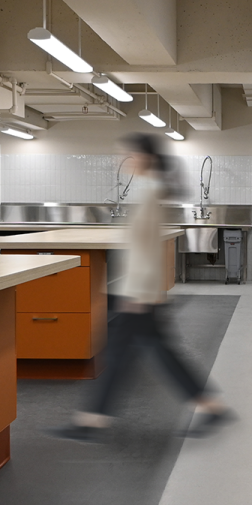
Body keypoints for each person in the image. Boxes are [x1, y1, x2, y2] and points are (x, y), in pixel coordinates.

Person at [59, 132, 231, 442]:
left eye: (128, 154)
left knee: (132, 353)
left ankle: (93, 418)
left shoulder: (151, 194)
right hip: (140, 292)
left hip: (139, 294)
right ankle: (95, 417)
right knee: (137, 353)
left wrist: (138, 294)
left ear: (145, 158)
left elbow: (147, 250)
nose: (122, 160)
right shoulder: (151, 190)